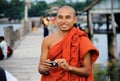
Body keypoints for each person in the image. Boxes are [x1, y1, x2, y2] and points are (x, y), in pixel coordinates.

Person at [38, 5, 99, 81]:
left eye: (68, 17)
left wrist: (69, 68)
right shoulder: (47, 40)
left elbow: (87, 71)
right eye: (60, 17)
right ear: (56, 19)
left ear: (75, 20)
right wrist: (45, 68)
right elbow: (40, 68)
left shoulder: (82, 39)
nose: (63, 21)